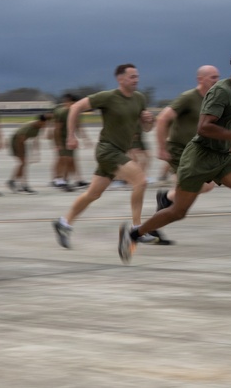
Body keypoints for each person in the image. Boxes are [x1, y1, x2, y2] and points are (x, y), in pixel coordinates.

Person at [117, 47, 231, 274]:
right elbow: (204, 128)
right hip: (199, 158)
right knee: (178, 212)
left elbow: (223, 124)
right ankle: (134, 233)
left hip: (222, 157)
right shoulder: (221, 91)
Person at [52, 64, 155, 249]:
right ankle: (137, 230)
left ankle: (63, 223)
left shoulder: (139, 98)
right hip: (107, 150)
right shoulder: (108, 97)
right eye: (132, 77)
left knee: (93, 193)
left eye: (137, 76)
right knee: (140, 180)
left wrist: (149, 121)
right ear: (120, 79)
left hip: (119, 152)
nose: (136, 80)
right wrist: (70, 135)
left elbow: (146, 128)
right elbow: (75, 107)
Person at [154, 65, 221, 217]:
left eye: (218, 77)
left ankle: (166, 199)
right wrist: (161, 147)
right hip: (180, 151)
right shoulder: (188, 97)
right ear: (200, 79)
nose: (217, 80)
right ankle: (154, 223)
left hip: (198, 152)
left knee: (208, 185)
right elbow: (162, 119)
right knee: (188, 190)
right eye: (213, 77)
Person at [51, 94, 87, 191]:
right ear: (69, 102)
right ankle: (58, 179)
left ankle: (65, 180)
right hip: (61, 138)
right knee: (63, 159)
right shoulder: (62, 112)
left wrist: (84, 137)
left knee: (70, 160)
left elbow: (77, 123)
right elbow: (56, 129)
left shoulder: (75, 112)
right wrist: (58, 144)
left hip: (70, 138)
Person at [8, 113, 51, 194]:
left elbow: (36, 140)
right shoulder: (29, 127)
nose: (45, 126)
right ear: (40, 122)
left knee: (24, 163)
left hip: (22, 142)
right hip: (16, 141)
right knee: (23, 163)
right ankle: (16, 182)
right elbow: (20, 140)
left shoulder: (39, 127)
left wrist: (37, 153)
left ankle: (20, 183)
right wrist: (21, 153)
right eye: (44, 124)